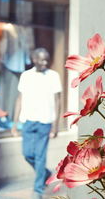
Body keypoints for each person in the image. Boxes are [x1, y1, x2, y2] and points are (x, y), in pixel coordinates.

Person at [12, 48, 62, 199]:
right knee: (27, 154)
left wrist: (56, 125)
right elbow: (19, 99)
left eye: (47, 59)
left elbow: (58, 101)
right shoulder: (25, 76)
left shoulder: (53, 76)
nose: (45, 62)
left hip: (45, 121)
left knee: (40, 156)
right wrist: (14, 123)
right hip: (28, 120)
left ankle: (38, 189)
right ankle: (45, 173)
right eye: (41, 59)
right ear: (34, 59)